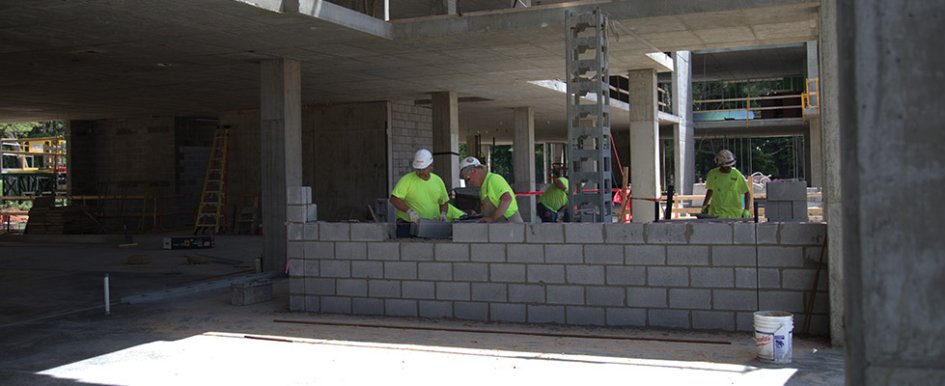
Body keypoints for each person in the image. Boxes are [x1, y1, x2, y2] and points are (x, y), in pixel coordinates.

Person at [390, 149, 450, 222]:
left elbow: (444, 202)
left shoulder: (438, 181)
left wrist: (443, 214)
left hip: (431, 224)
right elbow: (394, 199)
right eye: (418, 169)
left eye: (424, 169)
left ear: (431, 166)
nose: (421, 172)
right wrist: (410, 212)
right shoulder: (406, 180)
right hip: (407, 224)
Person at [459, 156, 523, 223]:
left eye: (468, 179)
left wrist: (492, 218)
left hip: (510, 223)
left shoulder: (493, 179)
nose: (469, 183)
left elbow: (507, 198)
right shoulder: (484, 187)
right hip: (500, 224)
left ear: (474, 170)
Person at [702, 149, 751, 218]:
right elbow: (710, 190)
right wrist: (704, 205)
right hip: (716, 214)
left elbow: (747, 193)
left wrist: (746, 210)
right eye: (726, 166)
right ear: (720, 165)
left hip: (734, 215)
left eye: (730, 165)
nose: (729, 167)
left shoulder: (737, 175)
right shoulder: (712, 174)